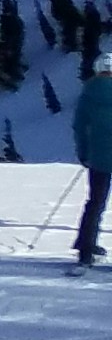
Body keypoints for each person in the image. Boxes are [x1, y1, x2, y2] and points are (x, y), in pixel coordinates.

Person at [74, 57, 112, 269]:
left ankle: (86, 249)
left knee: (95, 202)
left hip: (98, 156)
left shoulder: (88, 93)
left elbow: (79, 126)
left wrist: (83, 152)